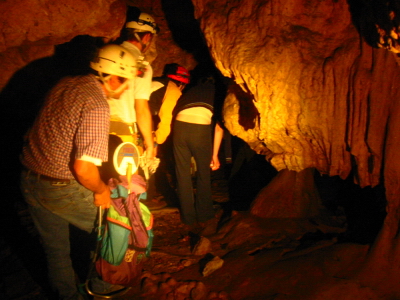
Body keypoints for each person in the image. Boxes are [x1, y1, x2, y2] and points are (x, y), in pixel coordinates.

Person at [20, 44, 137, 300]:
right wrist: (101, 190)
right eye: (126, 80)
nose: (127, 87)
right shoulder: (97, 106)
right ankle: (102, 286)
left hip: (30, 177)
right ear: (113, 77)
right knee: (116, 228)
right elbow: (84, 170)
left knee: (56, 251)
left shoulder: (67, 83)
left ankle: (67, 296)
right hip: (62, 188)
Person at [172, 73, 224, 236]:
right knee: (203, 173)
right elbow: (218, 128)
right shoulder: (218, 94)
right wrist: (214, 155)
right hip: (199, 129)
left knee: (182, 174)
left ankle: (188, 217)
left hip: (179, 127)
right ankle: (204, 214)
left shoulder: (191, 91)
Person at [107, 11, 159, 169]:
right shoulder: (141, 65)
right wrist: (150, 145)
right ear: (146, 37)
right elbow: (141, 108)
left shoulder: (107, 54)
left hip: (96, 126)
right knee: (122, 185)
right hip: (122, 131)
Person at [143, 63, 191, 209]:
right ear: (182, 83)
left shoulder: (154, 81)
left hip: (130, 122)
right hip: (146, 126)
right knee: (148, 162)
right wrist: (157, 140)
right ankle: (146, 199)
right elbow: (167, 119)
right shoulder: (173, 90)